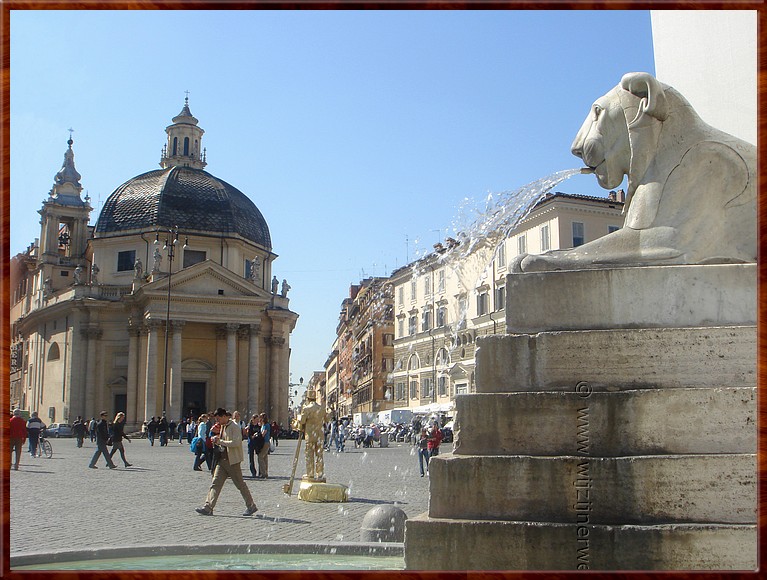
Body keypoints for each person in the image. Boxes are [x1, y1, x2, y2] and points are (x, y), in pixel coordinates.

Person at [195, 408, 258, 517]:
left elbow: (236, 442)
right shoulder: (223, 427)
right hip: (222, 461)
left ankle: (251, 506)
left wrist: (221, 441)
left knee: (240, 484)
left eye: (219, 418)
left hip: (232, 461)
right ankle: (208, 507)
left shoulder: (234, 427)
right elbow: (223, 441)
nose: (218, 421)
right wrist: (215, 438)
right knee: (215, 483)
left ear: (224, 416)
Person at [298, 390, 328, 481]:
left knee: (309, 454)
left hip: (310, 435)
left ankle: (310, 474)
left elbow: (302, 421)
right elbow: (326, 419)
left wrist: (300, 422)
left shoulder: (307, 409)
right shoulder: (321, 408)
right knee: (319, 455)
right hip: (319, 434)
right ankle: (320, 473)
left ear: (308, 398)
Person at [256, 412, 271, 478]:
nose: (260, 419)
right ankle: (265, 472)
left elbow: (263, 434)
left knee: (260, 457)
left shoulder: (266, 425)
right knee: (265, 458)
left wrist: (257, 435)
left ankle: (263, 473)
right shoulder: (263, 425)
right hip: (263, 442)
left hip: (265, 442)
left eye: (261, 418)